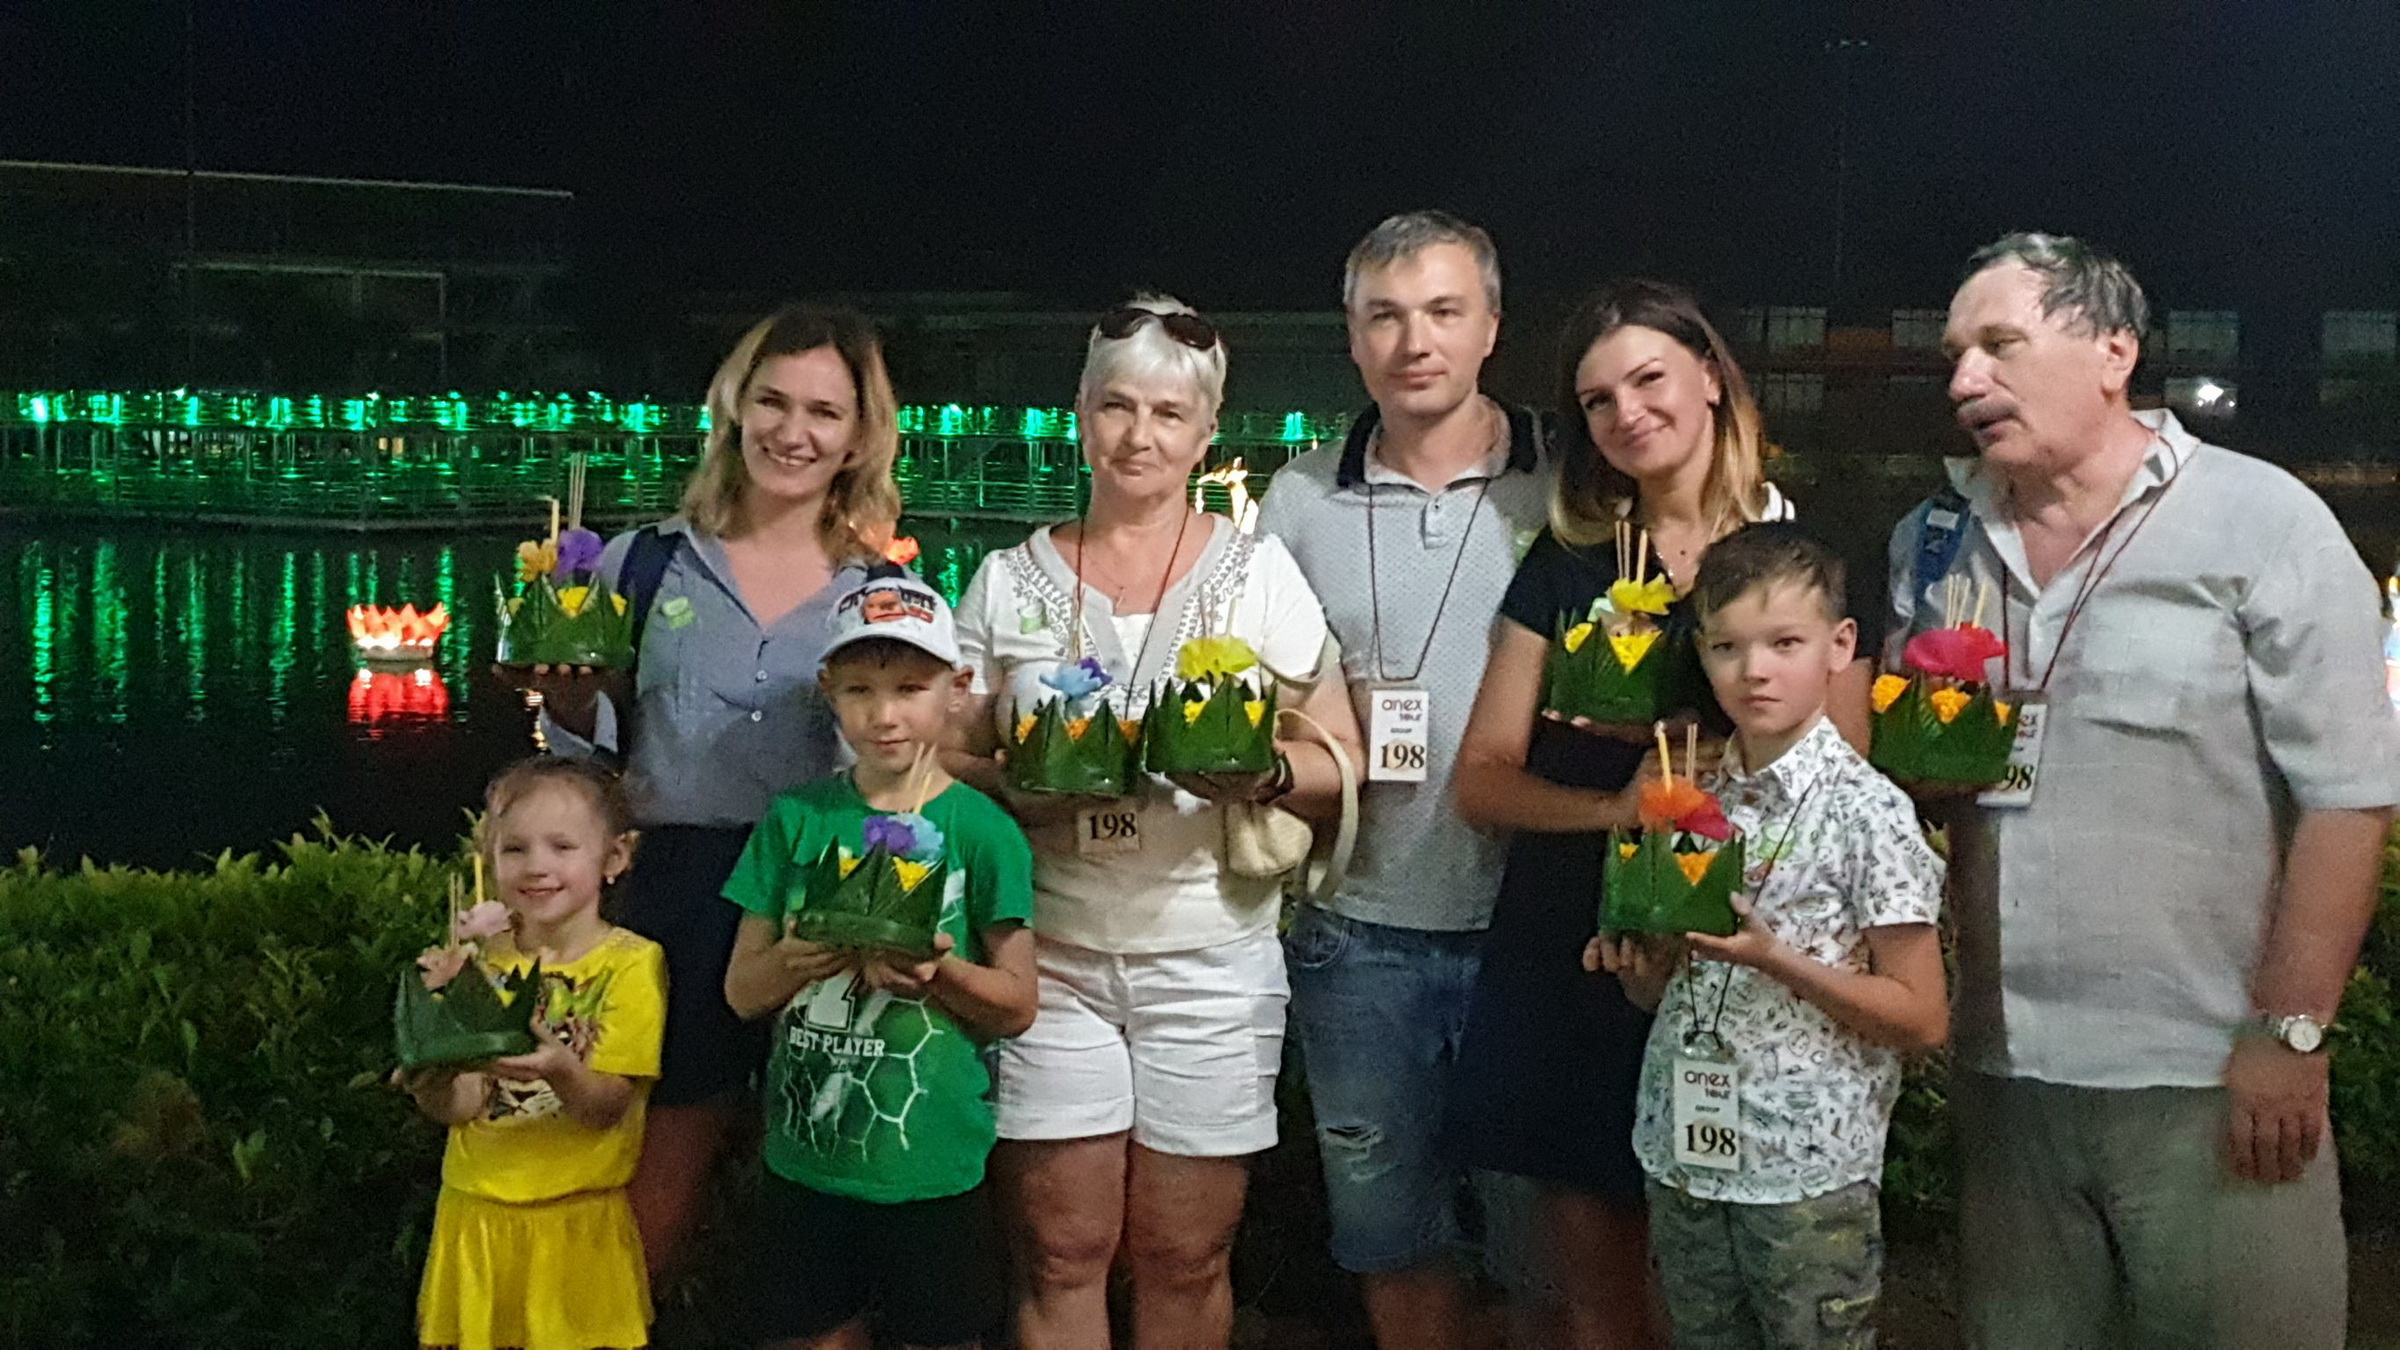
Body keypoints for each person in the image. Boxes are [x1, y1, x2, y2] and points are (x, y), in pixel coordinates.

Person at [1886, 233, 2400, 1347]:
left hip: (2212, 1078)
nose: (1965, 380)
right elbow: (1920, 783)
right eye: (1954, 357)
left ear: (2112, 349)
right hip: (2006, 1073)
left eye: (1999, 346)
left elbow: (2351, 799)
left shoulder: (2263, 523)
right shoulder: (1934, 545)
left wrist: (2292, 1033)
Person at [950, 295, 1365, 1349]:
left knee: (1186, 1255)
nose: (1140, 437)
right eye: (1117, 407)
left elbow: (1339, 758)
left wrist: (1260, 772)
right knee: (1058, 1251)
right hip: (1050, 959)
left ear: (1205, 432)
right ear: (1080, 415)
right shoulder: (1006, 581)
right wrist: (1019, 792)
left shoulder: (1257, 573)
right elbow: (942, 756)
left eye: (1168, 415)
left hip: (1213, 955)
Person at [1448, 278, 1837, 1350]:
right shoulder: (1570, 564)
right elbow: (1481, 777)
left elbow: (1848, 772)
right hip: (1577, 938)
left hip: (1741, 949)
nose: (1628, 414)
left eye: (1649, 379)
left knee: (1728, 1282)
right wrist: (1615, 805)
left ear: (1712, 377)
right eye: (1598, 400)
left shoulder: (1801, 562)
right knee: (1597, 1281)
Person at [525, 303, 903, 1277]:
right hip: (675, 888)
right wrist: (576, 709)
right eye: (772, 402)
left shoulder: (884, 593)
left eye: (824, 411)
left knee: (826, 1179)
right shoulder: (643, 561)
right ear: (734, 409)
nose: (793, 431)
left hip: (820, 888)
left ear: (859, 433)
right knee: (658, 1160)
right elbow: (584, 767)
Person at [1253, 210, 1556, 1350]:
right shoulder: (1294, 502)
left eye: (1441, 311)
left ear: (1490, 327)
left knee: (1547, 1240)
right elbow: (1258, 694)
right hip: (1357, 932)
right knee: (1387, 1233)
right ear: (1351, 334)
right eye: (1384, 315)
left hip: (1536, 925)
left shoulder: (1570, 483)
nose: (1412, 340)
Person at [1593, 523, 1946, 1349]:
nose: (1754, 671)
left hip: (1805, 1177)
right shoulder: (1688, 795)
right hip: (1684, 1153)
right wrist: (1637, 961)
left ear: (1839, 643)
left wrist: (1777, 960)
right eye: (1726, 647)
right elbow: (1659, 993)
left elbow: (1924, 1018)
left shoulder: (1870, 813)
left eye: (1784, 642)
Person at [722, 566, 1038, 1350]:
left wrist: (941, 974)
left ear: (954, 690)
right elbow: (740, 991)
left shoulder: (983, 830)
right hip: (805, 1168)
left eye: (908, 687)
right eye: (861, 690)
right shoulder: (795, 819)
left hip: (933, 1167)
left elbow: (1017, 1004)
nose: (884, 714)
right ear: (829, 690)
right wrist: (802, 955)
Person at [404, 756, 668, 1350]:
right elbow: (464, 1104)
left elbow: (608, 1107)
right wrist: (431, 1076)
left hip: (577, 1224)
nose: (537, 867)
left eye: (562, 846)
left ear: (615, 858)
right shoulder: (475, 963)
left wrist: (559, 1068)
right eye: (515, 849)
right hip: (476, 1214)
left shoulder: (630, 965)